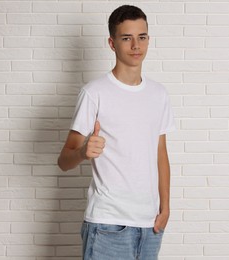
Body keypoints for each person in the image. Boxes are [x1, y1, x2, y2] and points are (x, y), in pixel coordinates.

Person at [57, 5, 175, 260]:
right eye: (126, 38)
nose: (136, 45)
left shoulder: (159, 94)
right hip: (108, 225)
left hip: (150, 225)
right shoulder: (95, 93)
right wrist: (83, 152)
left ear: (148, 40)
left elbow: (161, 154)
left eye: (141, 37)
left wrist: (165, 209)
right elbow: (64, 160)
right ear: (112, 43)